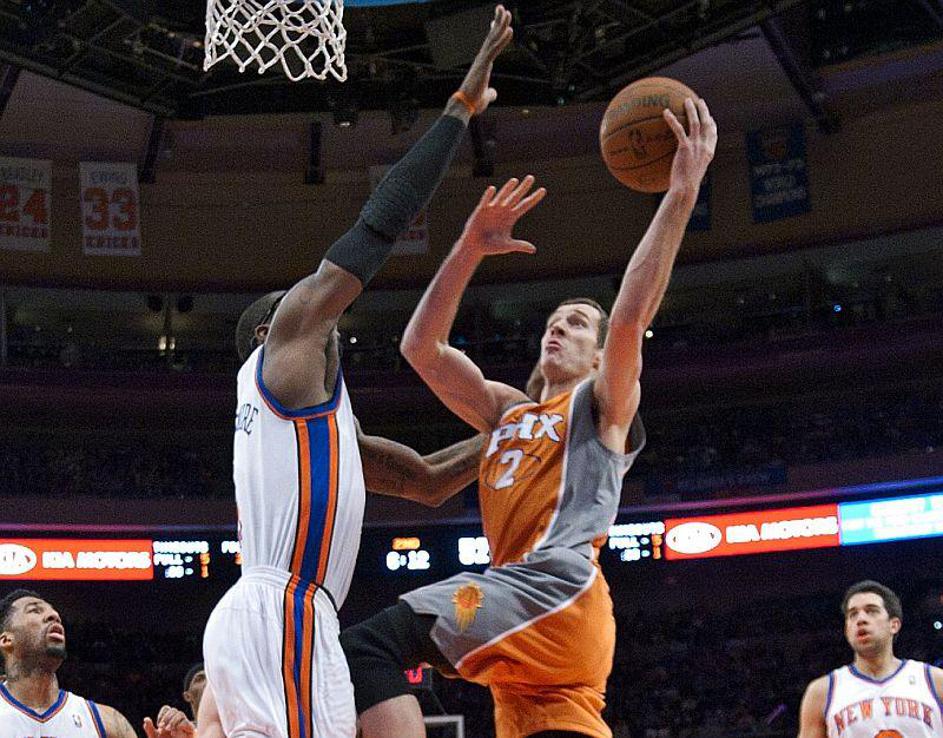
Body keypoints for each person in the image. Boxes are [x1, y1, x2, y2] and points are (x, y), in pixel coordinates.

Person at [341, 97, 717, 738]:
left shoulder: (602, 406)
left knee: (365, 649)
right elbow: (421, 349)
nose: (558, 330)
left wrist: (680, 193)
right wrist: (467, 247)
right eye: (552, 322)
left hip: (552, 592)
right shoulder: (506, 411)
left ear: (598, 355)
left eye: (575, 324)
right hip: (534, 630)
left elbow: (629, 316)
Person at [202, 7, 514, 738]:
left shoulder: (323, 428)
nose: (331, 318)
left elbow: (427, 481)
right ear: (267, 332)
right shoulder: (282, 357)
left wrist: (528, 426)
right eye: (310, 310)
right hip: (279, 609)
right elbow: (375, 229)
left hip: (301, 617)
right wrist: (456, 112)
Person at [0, 589, 193, 738]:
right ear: (6, 640)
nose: (54, 616)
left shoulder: (107, 723)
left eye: (54, 612)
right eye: (35, 611)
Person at [798, 580, 943, 738]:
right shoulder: (822, 692)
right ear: (847, 630)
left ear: (894, 625)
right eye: (853, 614)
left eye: (871, 611)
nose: (861, 619)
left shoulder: (934, 680)